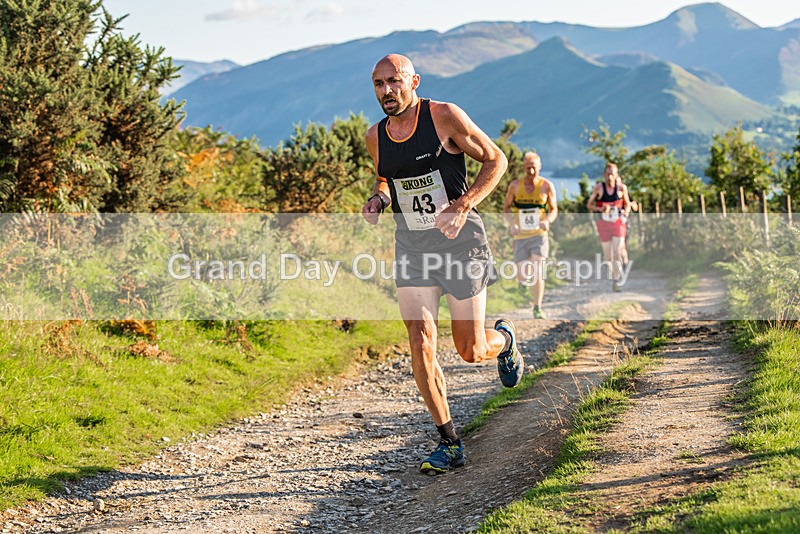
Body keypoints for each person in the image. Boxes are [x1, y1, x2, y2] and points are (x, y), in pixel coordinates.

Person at [361, 54, 525, 475]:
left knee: (470, 351)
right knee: (420, 341)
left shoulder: (444, 117)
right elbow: (386, 176)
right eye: (378, 85)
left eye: (394, 82)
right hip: (413, 247)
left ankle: (504, 341)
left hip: (460, 242)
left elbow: (496, 160)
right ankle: (449, 442)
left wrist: (462, 204)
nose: (386, 92)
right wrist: (380, 198)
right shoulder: (375, 136)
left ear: (413, 81)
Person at [503, 152, 558, 318]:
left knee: (537, 270)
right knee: (522, 273)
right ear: (523, 168)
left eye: (534, 168)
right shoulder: (515, 186)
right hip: (520, 236)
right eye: (528, 168)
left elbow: (554, 209)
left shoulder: (547, 186)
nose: (531, 171)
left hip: (539, 234)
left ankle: (537, 307)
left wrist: (547, 221)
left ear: (539, 167)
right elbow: (506, 209)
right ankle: (522, 283)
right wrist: (512, 224)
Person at [586, 162, 630, 291]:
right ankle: (614, 276)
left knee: (617, 250)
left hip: (617, 223)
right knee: (607, 256)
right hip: (604, 224)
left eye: (612, 174)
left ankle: (617, 280)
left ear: (616, 175)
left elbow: (627, 204)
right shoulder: (599, 188)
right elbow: (589, 205)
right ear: (604, 175)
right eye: (607, 174)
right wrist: (599, 209)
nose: (610, 177)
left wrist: (625, 211)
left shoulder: (622, 188)